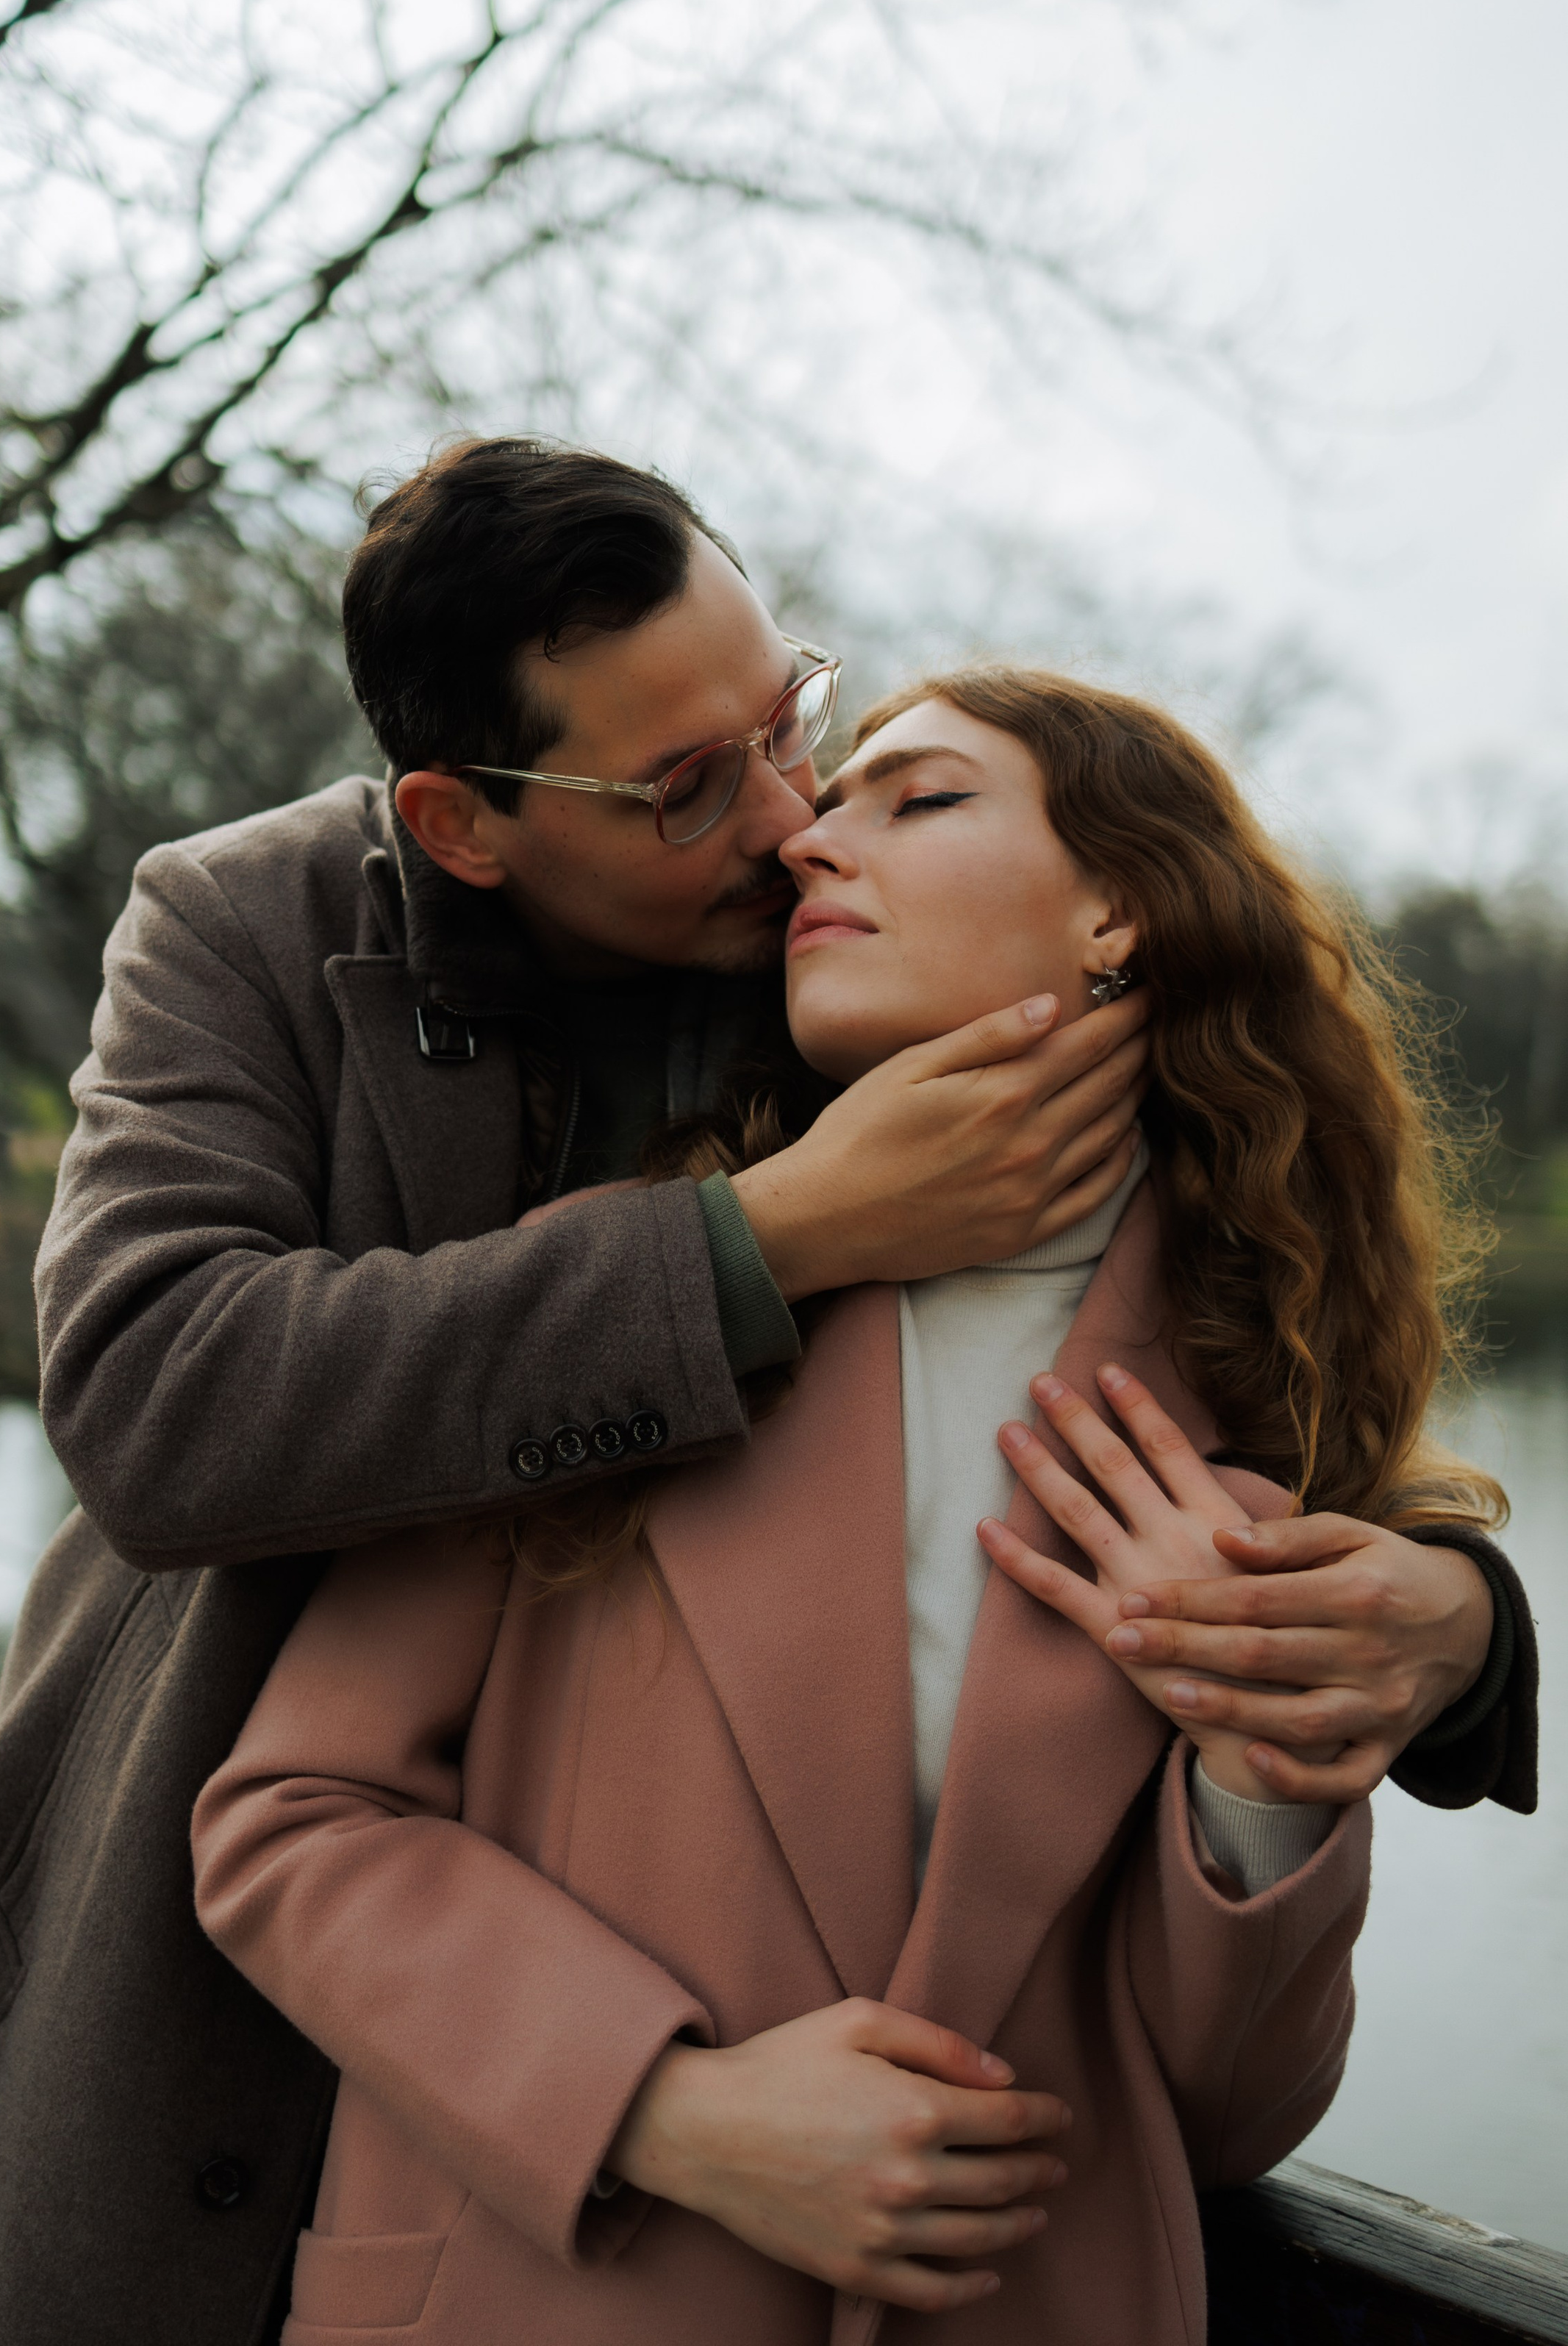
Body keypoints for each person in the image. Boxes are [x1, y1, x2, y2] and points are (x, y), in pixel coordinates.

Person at [0, 448, 1531, 2346]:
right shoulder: (246, 931)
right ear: (464, 825)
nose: (795, 818)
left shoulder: (847, 946)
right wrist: (767, 1241)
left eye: (790, 722)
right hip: (262, 2060)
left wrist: (1453, 1630)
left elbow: (1220, 1345)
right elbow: (162, 1402)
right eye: (685, 788)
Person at [192, 665, 1525, 2346]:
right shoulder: (616, 1296)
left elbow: (1222, 2119)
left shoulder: (1264, 1402)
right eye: (844, 798)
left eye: (922, 797)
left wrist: (1259, 1790)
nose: (814, 839)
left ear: (1120, 908)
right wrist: (663, 2109)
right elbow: (289, 1817)